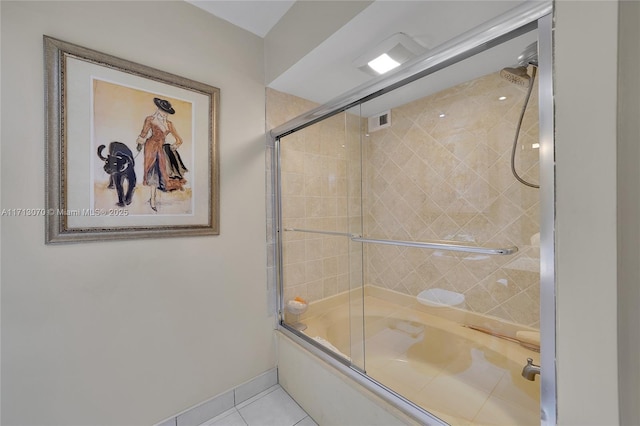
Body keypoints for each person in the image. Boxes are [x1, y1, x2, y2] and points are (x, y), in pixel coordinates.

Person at [136, 98, 188, 211]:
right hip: (150, 147)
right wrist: (140, 142)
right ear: (158, 109)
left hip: (161, 149)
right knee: (152, 171)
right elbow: (143, 133)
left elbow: (179, 139)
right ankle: (153, 200)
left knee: (162, 171)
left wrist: (175, 145)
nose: (164, 113)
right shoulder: (150, 119)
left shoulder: (169, 124)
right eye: (163, 110)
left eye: (166, 111)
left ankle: (153, 199)